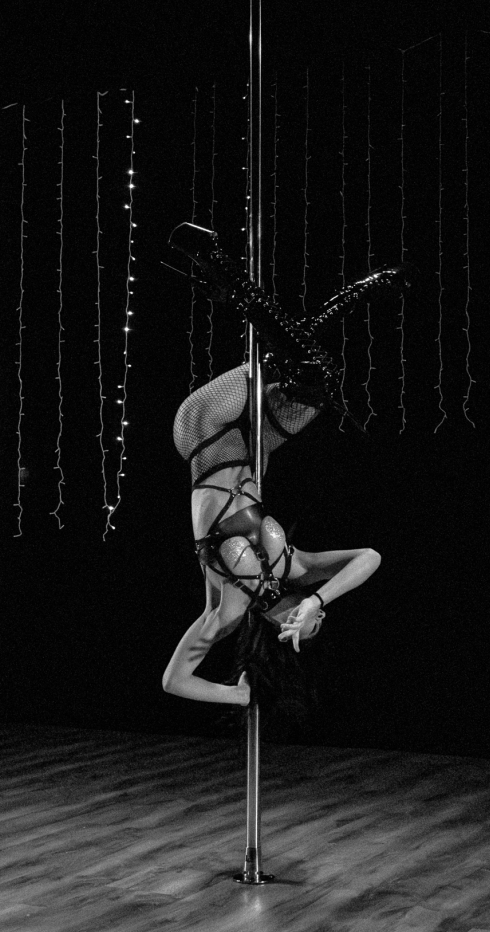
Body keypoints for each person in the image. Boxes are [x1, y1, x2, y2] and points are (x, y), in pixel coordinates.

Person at [161, 222, 409, 718]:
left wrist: (237, 693)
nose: (304, 619)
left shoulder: (226, 612)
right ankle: (356, 292)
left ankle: (217, 265)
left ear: (283, 636)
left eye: (302, 627)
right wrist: (321, 600)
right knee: (316, 378)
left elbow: (175, 681)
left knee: (286, 359)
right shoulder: (294, 566)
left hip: (205, 435)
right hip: (253, 444)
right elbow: (371, 557)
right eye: (312, 619)